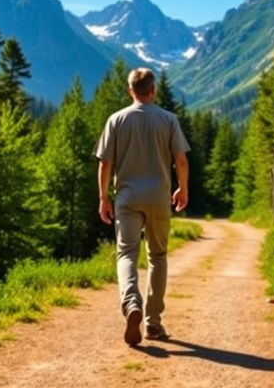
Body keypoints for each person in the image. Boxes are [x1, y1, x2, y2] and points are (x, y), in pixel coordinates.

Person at [94, 67, 190, 346]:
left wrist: (103, 197)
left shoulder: (116, 120)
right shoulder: (169, 120)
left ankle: (131, 303)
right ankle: (153, 323)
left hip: (127, 200)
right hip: (159, 199)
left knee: (126, 255)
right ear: (153, 90)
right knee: (158, 257)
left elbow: (105, 163)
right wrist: (183, 189)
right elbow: (181, 160)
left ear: (130, 91)